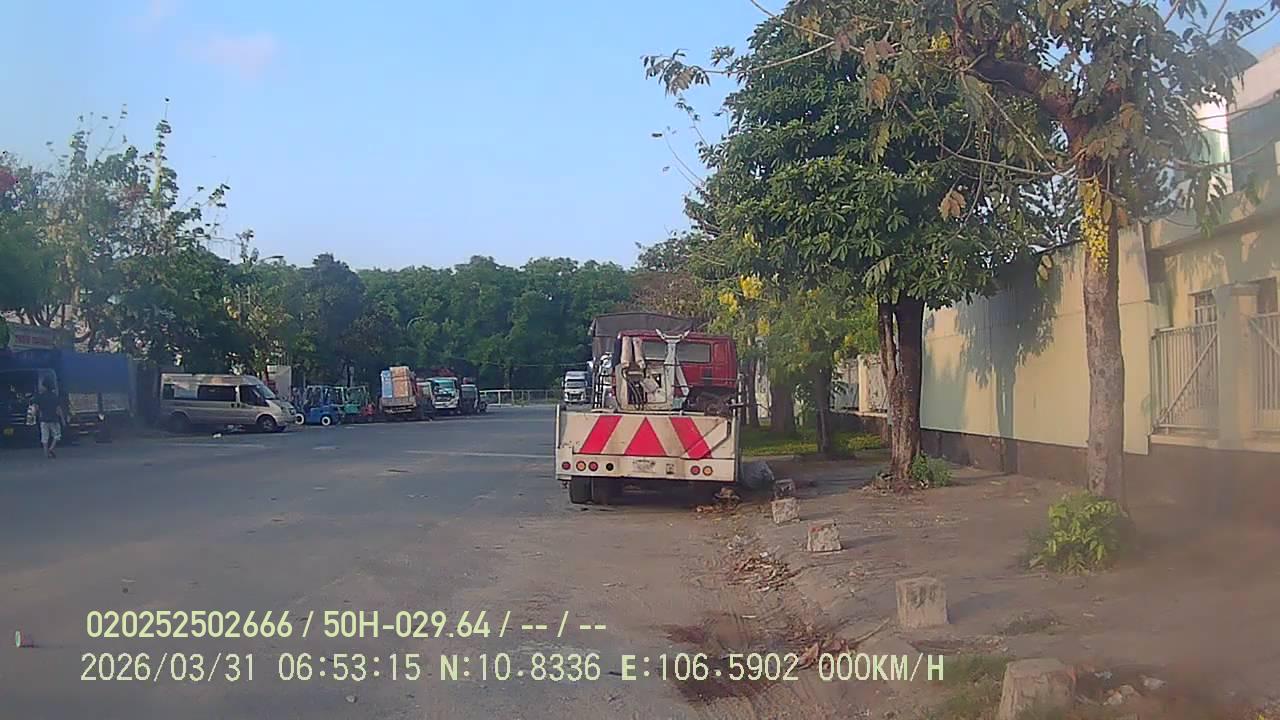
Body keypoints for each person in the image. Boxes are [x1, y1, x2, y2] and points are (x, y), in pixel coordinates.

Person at [33, 381, 62, 458]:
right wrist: (62, 419)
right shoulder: (54, 396)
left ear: (45, 387)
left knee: (44, 437)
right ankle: (51, 448)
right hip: (53, 419)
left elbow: (36, 407)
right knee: (57, 435)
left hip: (43, 419)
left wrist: (37, 414)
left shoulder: (40, 396)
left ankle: (46, 453)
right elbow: (58, 409)